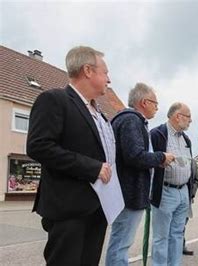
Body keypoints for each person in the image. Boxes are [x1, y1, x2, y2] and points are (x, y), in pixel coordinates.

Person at [26, 46, 114, 265]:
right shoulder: (54, 100)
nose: (109, 79)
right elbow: (39, 146)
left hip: (97, 207)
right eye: (105, 72)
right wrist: (92, 168)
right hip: (69, 209)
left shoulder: (99, 114)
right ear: (88, 70)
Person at [105, 83, 174, 266]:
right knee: (121, 243)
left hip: (128, 193)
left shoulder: (130, 120)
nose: (157, 108)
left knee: (121, 242)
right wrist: (161, 157)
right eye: (155, 103)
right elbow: (134, 156)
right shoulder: (131, 120)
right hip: (130, 194)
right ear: (144, 102)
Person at [149, 102, 195, 266]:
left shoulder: (186, 139)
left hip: (183, 192)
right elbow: (148, 161)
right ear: (178, 116)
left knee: (177, 234)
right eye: (188, 117)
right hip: (165, 191)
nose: (190, 121)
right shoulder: (157, 134)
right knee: (161, 236)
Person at [182, 159, 198, 256]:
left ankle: (181, 245)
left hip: (187, 197)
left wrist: (192, 193)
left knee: (183, 222)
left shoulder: (193, 162)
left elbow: (196, 180)